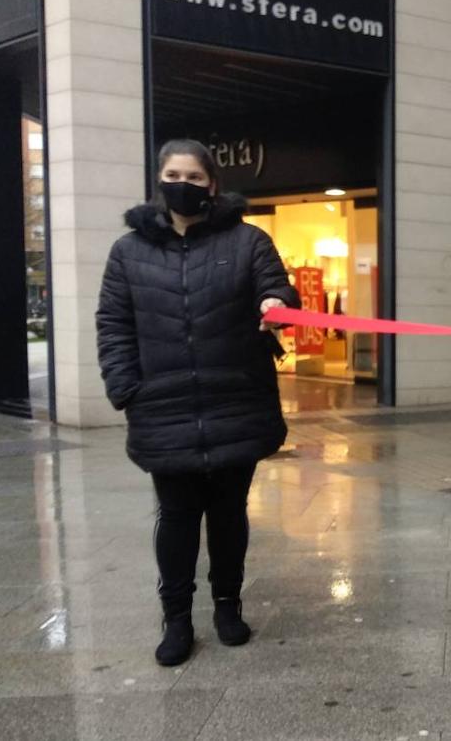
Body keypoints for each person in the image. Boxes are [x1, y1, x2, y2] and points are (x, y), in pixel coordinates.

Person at [96, 139, 300, 667]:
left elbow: (277, 290)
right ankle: (177, 618)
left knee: (230, 513)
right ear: (159, 180)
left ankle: (228, 605)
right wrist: (127, 390)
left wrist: (277, 304)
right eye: (172, 174)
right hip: (163, 409)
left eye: (193, 175)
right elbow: (114, 325)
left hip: (236, 401)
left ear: (212, 184)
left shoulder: (248, 240)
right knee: (177, 516)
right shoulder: (129, 252)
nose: (182, 184)